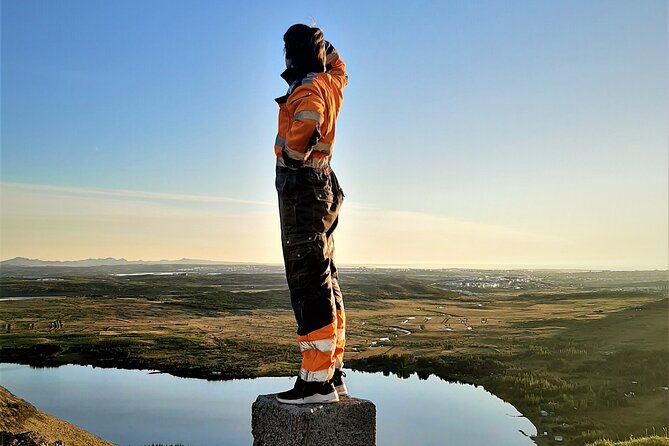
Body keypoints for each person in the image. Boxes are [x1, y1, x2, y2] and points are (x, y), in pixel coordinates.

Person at [273, 23, 348, 405]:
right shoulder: (328, 81)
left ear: (293, 54)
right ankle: (331, 373)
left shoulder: (307, 88)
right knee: (324, 275)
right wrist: (326, 49)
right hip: (322, 184)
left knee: (307, 279)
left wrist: (291, 155)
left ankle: (316, 382)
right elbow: (341, 70)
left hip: (303, 188)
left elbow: (309, 118)